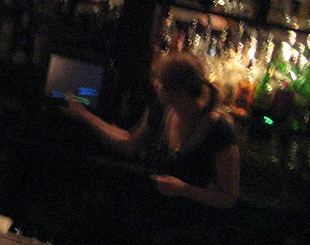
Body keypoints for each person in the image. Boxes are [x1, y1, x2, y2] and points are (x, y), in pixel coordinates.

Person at [61, 50, 240, 210]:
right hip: (148, 207)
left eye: (160, 82)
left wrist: (184, 189)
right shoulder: (163, 109)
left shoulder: (219, 131)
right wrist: (83, 114)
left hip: (185, 220)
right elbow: (129, 144)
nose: (155, 83)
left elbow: (228, 198)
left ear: (179, 94)